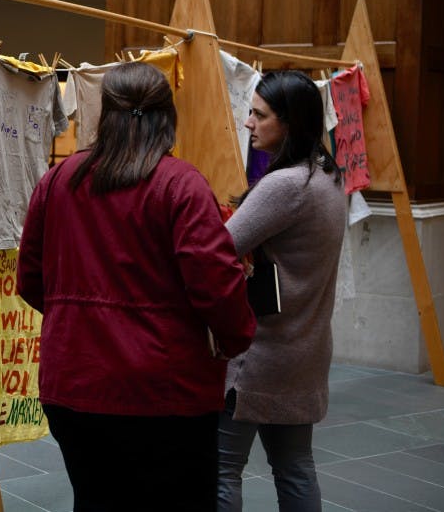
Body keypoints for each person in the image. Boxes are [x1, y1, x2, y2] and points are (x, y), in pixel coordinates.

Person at [17, 61, 256, 511]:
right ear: (168, 118)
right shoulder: (181, 185)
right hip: (166, 390)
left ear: (104, 115)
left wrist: (78, 321)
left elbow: (30, 277)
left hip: (74, 381)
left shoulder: (60, 179)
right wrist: (233, 338)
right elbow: (216, 282)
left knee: (95, 499)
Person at [217, 70, 346, 512]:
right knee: (294, 466)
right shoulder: (327, 176)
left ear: (289, 123)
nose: (249, 123)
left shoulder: (285, 186)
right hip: (305, 348)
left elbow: (219, 249)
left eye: (259, 114)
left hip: (261, 354)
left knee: (221, 469)